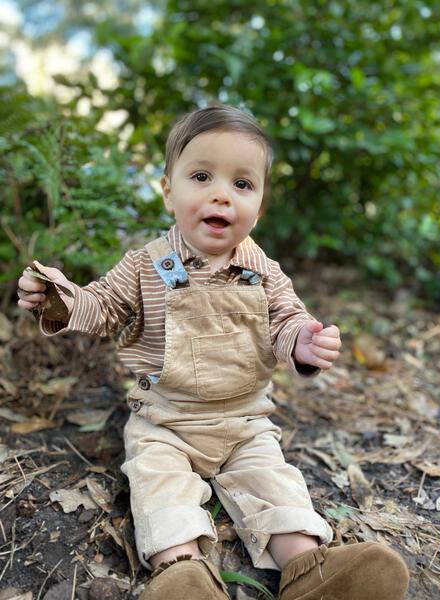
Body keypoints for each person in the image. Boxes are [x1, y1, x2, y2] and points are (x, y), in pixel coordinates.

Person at [17, 104, 409, 600]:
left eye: (242, 184)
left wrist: (304, 343)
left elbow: (287, 321)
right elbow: (103, 307)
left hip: (246, 423)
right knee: (159, 486)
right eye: (201, 176)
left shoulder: (266, 272)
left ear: (260, 207)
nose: (222, 193)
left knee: (273, 481)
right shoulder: (145, 266)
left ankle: (309, 569)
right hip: (167, 422)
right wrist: (64, 297)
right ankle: (182, 572)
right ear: (168, 191)